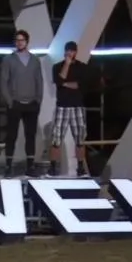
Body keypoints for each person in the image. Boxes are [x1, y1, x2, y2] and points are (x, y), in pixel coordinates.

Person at [0, 29, 43, 176]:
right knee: (11, 136)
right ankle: (8, 167)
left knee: (30, 135)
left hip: (32, 103)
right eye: (17, 40)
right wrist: (9, 101)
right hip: (15, 103)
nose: (19, 42)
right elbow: (3, 81)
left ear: (27, 42)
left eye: (22, 40)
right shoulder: (8, 59)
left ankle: (30, 167)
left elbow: (39, 81)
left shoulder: (35, 60)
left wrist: (38, 100)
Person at [50, 41, 90, 177]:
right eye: (67, 50)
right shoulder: (57, 67)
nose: (69, 53)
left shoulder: (82, 67)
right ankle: (53, 168)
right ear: (64, 51)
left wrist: (64, 83)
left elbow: (80, 85)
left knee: (80, 139)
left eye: (72, 51)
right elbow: (59, 80)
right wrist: (66, 65)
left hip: (77, 106)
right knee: (56, 139)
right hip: (62, 106)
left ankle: (80, 168)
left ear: (76, 52)